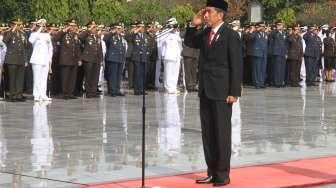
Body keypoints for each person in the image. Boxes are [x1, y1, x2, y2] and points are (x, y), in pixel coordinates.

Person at [184, 0, 243, 186]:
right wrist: (193, 25)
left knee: (221, 134)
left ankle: (222, 175)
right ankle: (211, 171)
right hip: (206, 90)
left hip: (222, 92)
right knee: (208, 134)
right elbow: (189, 41)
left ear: (220, 14)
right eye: (205, 12)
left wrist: (234, 91)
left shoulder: (230, 35)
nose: (206, 15)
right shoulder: (205, 33)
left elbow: (237, 64)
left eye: (208, 12)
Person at [54, 19, 81, 99]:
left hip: (74, 59)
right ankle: (65, 93)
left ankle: (70, 93)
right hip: (65, 59)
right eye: (71, 25)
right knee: (65, 77)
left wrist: (79, 59)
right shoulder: (63, 34)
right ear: (67, 25)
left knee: (72, 78)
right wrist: (63, 31)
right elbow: (55, 38)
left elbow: (77, 48)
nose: (72, 27)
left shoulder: (75, 35)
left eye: (74, 25)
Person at [3, 19, 28, 102]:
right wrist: (12, 30)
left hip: (21, 59)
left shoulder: (22, 33)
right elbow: (5, 41)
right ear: (12, 25)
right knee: (12, 78)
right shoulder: (8, 32)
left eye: (19, 24)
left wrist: (25, 59)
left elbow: (25, 46)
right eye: (16, 24)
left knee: (20, 78)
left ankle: (18, 94)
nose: (19, 26)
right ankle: (12, 95)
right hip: (12, 59)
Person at [29, 19, 53, 101]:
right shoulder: (33, 34)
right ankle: (36, 95)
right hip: (36, 59)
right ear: (37, 26)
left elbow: (50, 49)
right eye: (41, 26)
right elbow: (31, 41)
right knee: (37, 78)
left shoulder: (47, 35)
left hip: (45, 60)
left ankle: (43, 94)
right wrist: (38, 29)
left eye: (44, 26)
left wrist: (50, 60)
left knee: (44, 78)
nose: (43, 27)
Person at [79, 21, 103, 98]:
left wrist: (101, 59)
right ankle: (88, 92)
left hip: (96, 59)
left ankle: (93, 92)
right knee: (88, 76)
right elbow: (80, 37)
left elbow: (100, 48)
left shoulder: (97, 36)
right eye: (92, 27)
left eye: (95, 27)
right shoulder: (86, 35)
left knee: (95, 76)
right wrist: (88, 30)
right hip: (88, 59)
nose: (94, 28)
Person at [161, 18, 183, 94]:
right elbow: (161, 41)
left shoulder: (177, 34)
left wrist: (180, 55)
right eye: (173, 25)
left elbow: (180, 46)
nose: (175, 27)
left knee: (175, 73)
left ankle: (173, 87)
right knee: (168, 73)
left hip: (176, 57)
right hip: (169, 56)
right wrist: (168, 29)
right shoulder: (165, 34)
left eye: (175, 25)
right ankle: (168, 87)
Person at [104, 23, 126, 97]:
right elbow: (105, 39)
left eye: (120, 29)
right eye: (118, 29)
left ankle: (117, 90)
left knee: (118, 76)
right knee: (113, 75)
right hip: (113, 58)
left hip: (120, 58)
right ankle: (112, 91)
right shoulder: (110, 36)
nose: (119, 30)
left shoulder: (121, 37)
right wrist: (112, 32)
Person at [269, 20, 287, 87]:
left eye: (281, 25)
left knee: (282, 68)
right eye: (279, 25)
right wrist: (277, 30)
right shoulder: (273, 32)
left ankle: (281, 81)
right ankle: (276, 82)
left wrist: (286, 53)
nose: (281, 26)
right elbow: (271, 41)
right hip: (276, 52)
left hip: (283, 52)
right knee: (277, 68)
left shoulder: (284, 33)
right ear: (276, 26)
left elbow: (285, 44)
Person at [250, 22, 268, 88]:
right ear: (258, 27)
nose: (263, 27)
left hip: (264, 54)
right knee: (256, 69)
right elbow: (250, 37)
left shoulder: (265, 34)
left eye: (264, 26)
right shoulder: (255, 33)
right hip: (257, 53)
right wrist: (253, 30)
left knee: (262, 69)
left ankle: (261, 82)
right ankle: (257, 83)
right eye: (262, 26)